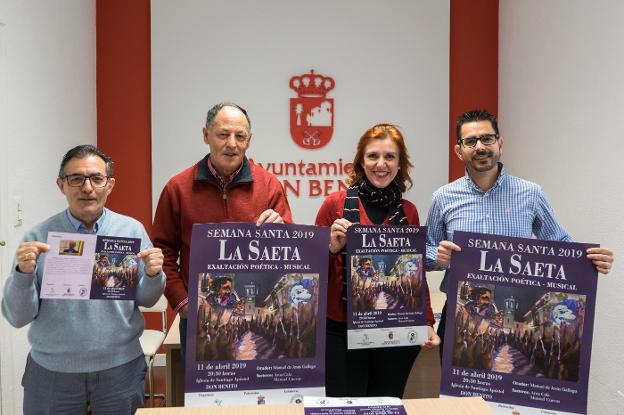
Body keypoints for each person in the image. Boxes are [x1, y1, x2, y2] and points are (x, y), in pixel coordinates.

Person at [425, 109, 615, 359]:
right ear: (459, 150)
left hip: (513, 313)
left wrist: (589, 260)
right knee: (459, 397)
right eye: (470, 141)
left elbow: (559, 243)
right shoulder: (442, 197)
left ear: (500, 144)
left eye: (487, 138)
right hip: (460, 314)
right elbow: (426, 251)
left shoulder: (531, 193)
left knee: (509, 390)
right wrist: (438, 256)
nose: (480, 146)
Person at [1, 145, 166, 414]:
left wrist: (153, 274)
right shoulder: (38, 237)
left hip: (120, 369)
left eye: (96, 178)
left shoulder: (131, 230)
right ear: (61, 185)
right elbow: (17, 317)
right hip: (52, 373)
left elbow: (147, 299)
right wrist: (23, 274)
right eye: (76, 179)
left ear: (109, 185)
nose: (87, 187)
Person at [152, 102, 293, 353]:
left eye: (240, 136)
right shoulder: (178, 188)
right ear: (206, 135)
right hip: (198, 318)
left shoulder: (270, 185)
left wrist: (282, 230)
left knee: (256, 387)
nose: (232, 143)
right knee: (204, 393)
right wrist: (181, 301)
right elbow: (163, 251)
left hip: (250, 310)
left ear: (249, 140)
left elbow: (291, 252)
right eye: (223, 134)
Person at [315, 123, 440, 398]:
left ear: (400, 164)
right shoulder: (334, 205)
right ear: (361, 161)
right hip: (342, 331)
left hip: (395, 330)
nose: (380, 164)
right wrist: (332, 249)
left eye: (389, 157)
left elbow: (415, 275)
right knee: (345, 407)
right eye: (373, 156)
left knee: (386, 403)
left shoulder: (408, 212)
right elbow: (313, 275)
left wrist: (428, 321)